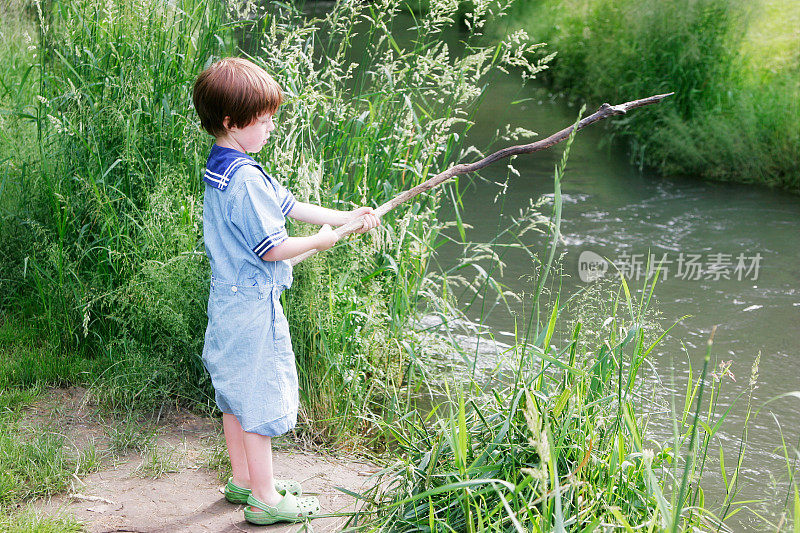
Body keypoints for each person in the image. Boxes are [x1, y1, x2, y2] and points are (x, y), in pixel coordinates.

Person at [193, 57, 380, 525]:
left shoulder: (223, 167)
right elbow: (274, 248)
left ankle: (243, 479)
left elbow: (290, 206)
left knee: (234, 394)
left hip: (227, 298)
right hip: (255, 306)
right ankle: (266, 497)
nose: (271, 126)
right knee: (258, 396)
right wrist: (322, 241)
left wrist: (343, 218)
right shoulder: (246, 179)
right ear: (232, 122)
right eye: (263, 119)